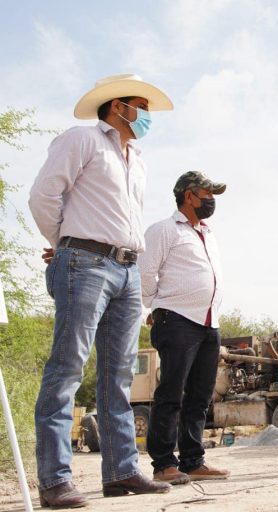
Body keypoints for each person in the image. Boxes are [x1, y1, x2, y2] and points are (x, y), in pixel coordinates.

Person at [29, 74, 174, 508]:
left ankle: (121, 472)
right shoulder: (82, 140)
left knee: (120, 376)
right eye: (141, 105)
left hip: (128, 270)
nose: (147, 115)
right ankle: (55, 481)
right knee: (68, 368)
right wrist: (66, 244)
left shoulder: (138, 157)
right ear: (118, 107)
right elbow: (43, 195)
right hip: (85, 264)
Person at [139, 171, 230, 485]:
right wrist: (155, 306)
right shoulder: (164, 230)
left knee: (200, 397)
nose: (211, 200)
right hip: (177, 320)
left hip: (208, 323)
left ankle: (193, 461)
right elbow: (145, 274)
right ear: (188, 195)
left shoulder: (207, 232)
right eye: (207, 193)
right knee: (171, 394)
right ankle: (164, 463)